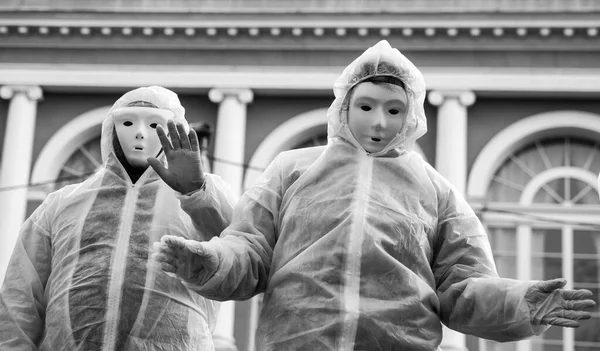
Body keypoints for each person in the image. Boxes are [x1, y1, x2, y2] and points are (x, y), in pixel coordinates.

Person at [152, 41, 597, 350]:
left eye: (393, 109)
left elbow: (461, 289)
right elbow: (249, 252)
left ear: (411, 114)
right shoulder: (291, 169)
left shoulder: (434, 190)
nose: (378, 123)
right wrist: (209, 260)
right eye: (365, 107)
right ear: (344, 107)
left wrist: (521, 302)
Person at [0, 86, 236, 350]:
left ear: (173, 130)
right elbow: (19, 299)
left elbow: (240, 253)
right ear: (111, 129)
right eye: (128, 121)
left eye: (155, 124)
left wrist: (196, 193)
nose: (139, 132)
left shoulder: (203, 196)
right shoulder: (63, 204)